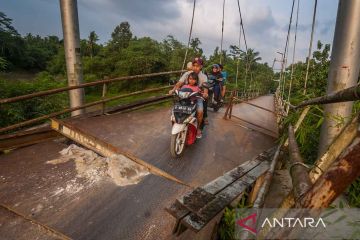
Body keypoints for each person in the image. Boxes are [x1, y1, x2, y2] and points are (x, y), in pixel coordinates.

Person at [169, 57, 208, 138]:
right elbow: (179, 83)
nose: (195, 67)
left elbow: (205, 88)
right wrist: (173, 90)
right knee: (175, 108)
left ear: (201, 66)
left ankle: (198, 128)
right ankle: (178, 122)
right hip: (185, 96)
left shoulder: (203, 76)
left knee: (200, 111)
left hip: (197, 97)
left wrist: (205, 93)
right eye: (194, 65)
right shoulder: (187, 74)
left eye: (197, 66)